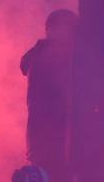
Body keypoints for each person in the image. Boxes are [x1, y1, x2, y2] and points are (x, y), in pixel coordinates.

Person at [21, 9, 77, 171]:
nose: (74, 36)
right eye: (71, 29)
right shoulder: (51, 57)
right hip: (54, 142)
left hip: (42, 142)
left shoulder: (38, 56)